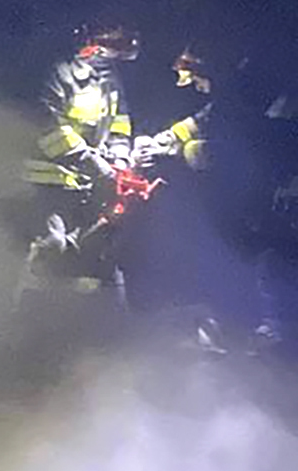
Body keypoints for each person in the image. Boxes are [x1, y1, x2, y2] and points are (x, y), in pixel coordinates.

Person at [144, 36, 298, 356]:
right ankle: (244, 327)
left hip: (276, 196)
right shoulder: (241, 86)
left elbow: (263, 145)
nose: (193, 85)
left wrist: (195, 152)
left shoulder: (263, 88)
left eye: (195, 78)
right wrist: (168, 137)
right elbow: (212, 117)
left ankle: (272, 338)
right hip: (257, 195)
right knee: (241, 252)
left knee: (264, 259)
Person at [15, 21, 143, 308]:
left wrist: (120, 160)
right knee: (51, 248)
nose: (112, 60)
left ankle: (98, 331)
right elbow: (48, 130)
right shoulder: (58, 75)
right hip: (49, 183)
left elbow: (120, 125)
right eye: (109, 51)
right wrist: (95, 163)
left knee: (100, 255)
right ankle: (24, 323)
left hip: (89, 185)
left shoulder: (110, 81)